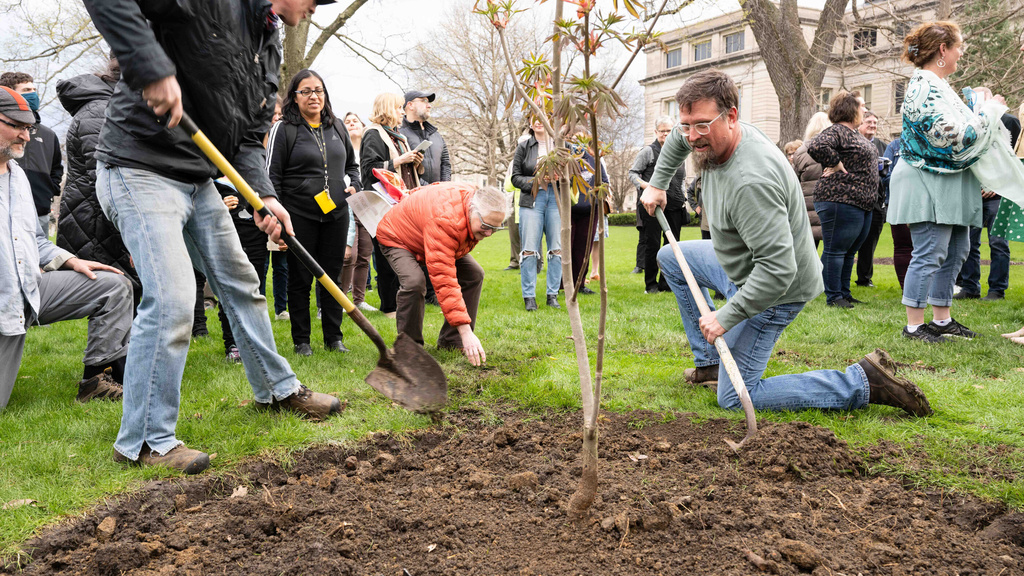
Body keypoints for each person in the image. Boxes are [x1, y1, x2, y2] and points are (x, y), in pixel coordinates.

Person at [82, 0, 344, 475]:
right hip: (138, 167)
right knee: (173, 298)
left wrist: (263, 196)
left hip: (198, 177)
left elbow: (245, 140)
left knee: (241, 283)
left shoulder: (266, 45)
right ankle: (144, 440)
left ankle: (277, 390)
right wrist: (151, 66)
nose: (311, 10)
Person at [639, 69, 931, 418]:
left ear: (731, 116)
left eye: (701, 125)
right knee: (671, 257)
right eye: (686, 125)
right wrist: (657, 183)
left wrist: (725, 316)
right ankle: (714, 365)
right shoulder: (710, 135)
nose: (691, 136)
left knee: (733, 398)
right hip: (744, 267)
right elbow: (676, 138)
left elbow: (777, 272)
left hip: (778, 290)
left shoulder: (751, 183)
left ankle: (861, 382)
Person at [0, 86, 132, 411]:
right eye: (16, 126)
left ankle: (95, 382)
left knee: (114, 286)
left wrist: (71, 261)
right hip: (4, 305)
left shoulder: (17, 177)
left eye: (28, 127)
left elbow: (34, 239)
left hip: (28, 290)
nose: (26, 137)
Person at [887, 21, 994, 343]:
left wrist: (979, 111)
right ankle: (914, 327)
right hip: (926, 179)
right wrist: (989, 115)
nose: (962, 52)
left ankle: (942, 320)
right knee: (930, 250)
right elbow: (947, 134)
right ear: (943, 49)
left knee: (957, 250)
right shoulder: (923, 85)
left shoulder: (940, 85)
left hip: (948, 182)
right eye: (958, 46)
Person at [267, 69, 359, 356]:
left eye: (318, 90)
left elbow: (352, 168)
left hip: (336, 214)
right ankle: (302, 341)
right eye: (305, 91)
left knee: (332, 277)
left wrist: (355, 185)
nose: (313, 96)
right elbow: (272, 176)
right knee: (300, 279)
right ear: (294, 97)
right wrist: (277, 218)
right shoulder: (284, 128)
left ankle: (334, 338)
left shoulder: (338, 127)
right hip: (298, 215)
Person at [376, 183, 507, 366]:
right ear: (472, 210)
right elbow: (445, 281)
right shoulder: (446, 220)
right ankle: (409, 348)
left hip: (430, 236)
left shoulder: (471, 202)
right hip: (398, 237)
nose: (489, 233)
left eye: (495, 228)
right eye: (485, 225)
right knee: (414, 282)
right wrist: (466, 331)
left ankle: (451, 342)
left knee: (474, 275)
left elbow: (435, 188)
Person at [55, 56, 142, 305]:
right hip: (99, 223)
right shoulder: (101, 110)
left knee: (122, 300)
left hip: (102, 220)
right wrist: (134, 230)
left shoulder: (109, 106)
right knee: (118, 300)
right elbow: (108, 175)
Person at [807, 91, 878, 309]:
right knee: (836, 249)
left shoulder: (854, 134)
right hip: (840, 199)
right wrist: (836, 162)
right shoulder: (837, 130)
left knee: (849, 250)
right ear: (850, 108)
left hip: (861, 202)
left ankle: (844, 293)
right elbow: (816, 146)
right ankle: (833, 296)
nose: (865, 109)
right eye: (862, 105)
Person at [360, 92, 424, 319]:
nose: (401, 112)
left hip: (404, 205)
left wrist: (415, 162)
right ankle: (388, 305)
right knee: (386, 255)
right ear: (387, 109)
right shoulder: (373, 134)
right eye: (398, 107)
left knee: (403, 254)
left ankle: (402, 301)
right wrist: (399, 160)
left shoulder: (399, 136)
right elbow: (368, 169)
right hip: (383, 205)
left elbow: (406, 169)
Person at [953, 96, 1020, 301]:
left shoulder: (1009, 122)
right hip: (972, 193)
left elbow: (1016, 158)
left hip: (997, 194)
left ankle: (997, 290)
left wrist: (998, 186)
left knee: (998, 242)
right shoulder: (967, 126)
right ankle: (970, 287)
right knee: (968, 242)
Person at [400, 90, 451, 307]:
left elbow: (446, 162)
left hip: (438, 198)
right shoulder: (400, 134)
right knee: (418, 247)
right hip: (414, 199)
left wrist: (445, 187)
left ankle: (437, 292)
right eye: (424, 101)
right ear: (410, 105)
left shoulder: (435, 135)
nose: (429, 105)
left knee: (439, 246)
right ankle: (422, 292)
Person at [629, 117, 687, 294]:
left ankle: (666, 283)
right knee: (652, 243)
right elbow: (632, 173)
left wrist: (683, 198)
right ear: (656, 132)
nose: (665, 134)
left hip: (675, 205)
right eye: (662, 130)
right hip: (652, 205)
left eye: (669, 131)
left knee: (672, 244)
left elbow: (682, 178)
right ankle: (651, 284)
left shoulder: (678, 152)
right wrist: (648, 186)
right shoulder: (648, 151)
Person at [0, 72, 63, 235]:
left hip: (40, 210)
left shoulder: (49, 134)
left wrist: (49, 190)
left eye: (34, 89)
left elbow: (57, 168)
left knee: (38, 254)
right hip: (7, 209)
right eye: (27, 90)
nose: (33, 94)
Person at [512, 117, 563, 311]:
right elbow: (515, 177)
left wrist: (561, 177)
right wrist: (537, 180)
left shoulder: (561, 145)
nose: (538, 122)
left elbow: (573, 173)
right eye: (533, 118)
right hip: (532, 198)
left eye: (543, 117)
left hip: (556, 198)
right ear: (530, 123)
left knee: (556, 248)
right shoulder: (524, 146)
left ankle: (552, 295)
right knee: (529, 249)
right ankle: (529, 297)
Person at [339, 111, 376, 313]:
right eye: (348, 122)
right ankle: (342, 299)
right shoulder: (343, 150)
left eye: (355, 121)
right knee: (348, 255)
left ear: (363, 126)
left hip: (367, 205)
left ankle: (359, 299)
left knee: (364, 255)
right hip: (347, 204)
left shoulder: (368, 150)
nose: (352, 124)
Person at [854, 110, 889, 288]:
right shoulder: (852, 144)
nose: (873, 126)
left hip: (877, 201)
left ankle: (864, 278)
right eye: (869, 122)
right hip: (855, 200)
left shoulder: (884, 147)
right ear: (860, 124)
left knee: (870, 241)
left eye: (875, 123)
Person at [263, 97, 290, 321]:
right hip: (257, 210)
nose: (276, 118)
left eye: (280, 114)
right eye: (273, 114)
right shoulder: (255, 141)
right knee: (261, 265)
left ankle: (281, 308)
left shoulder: (283, 141)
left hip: (278, 206)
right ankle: (260, 305)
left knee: (281, 264)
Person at [791, 112, 831, 248]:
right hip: (830, 207)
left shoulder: (801, 152)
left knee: (809, 251)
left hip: (808, 210)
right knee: (833, 253)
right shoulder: (836, 148)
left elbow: (794, 181)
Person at [882, 136, 913, 289]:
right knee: (903, 246)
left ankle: (924, 288)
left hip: (924, 201)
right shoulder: (894, 146)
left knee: (926, 247)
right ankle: (906, 289)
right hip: (898, 201)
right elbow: (885, 174)